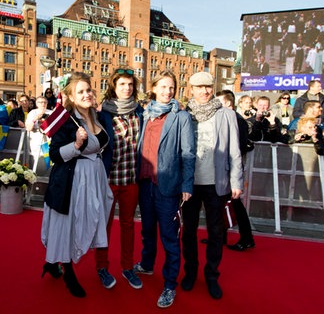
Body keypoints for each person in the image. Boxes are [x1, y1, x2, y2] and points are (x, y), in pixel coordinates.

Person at [41, 72, 113, 298]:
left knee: (86, 220)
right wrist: (76, 143)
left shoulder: (96, 115)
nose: (86, 94)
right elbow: (54, 155)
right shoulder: (66, 120)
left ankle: (53, 263)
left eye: (89, 90)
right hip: (72, 180)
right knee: (70, 224)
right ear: (70, 96)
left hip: (94, 178)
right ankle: (68, 270)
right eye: (80, 91)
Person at [133, 70, 196, 308]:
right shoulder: (143, 114)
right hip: (145, 182)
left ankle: (170, 285)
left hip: (168, 186)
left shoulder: (181, 117)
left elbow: (188, 153)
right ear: (153, 88)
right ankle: (147, 265)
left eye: (171, 87)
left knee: (169, 238)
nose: (168, 91)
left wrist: (187, 184)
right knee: (147, 230)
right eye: (163, 87)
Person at [181, 72, 243, 300]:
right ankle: (190, 272)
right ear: (192, 90)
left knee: (217, 232)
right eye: (199, 87)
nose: (204, 91)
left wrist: (236, 181)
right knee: (188, 231)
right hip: (189, 184)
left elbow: (235, 151)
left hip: (217, 183)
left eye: (208, 86)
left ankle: (212, 275)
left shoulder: (226, 114)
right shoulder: (183, 114)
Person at [97, 68, 144, 290]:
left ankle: (127, 267)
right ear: (114, 87)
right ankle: (102, 268)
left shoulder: (140, 112)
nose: (127, 88)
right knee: (104, 226)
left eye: (130, 84)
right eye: (122, 84)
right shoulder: (103, 113)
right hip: (109, 179)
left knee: (128, 226)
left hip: (131, 179)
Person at [216, 90, 256, 251]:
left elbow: (237, 148)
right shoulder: (228, 118)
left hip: (230, 169)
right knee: (222, 204)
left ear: (227, 103)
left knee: (235, 205)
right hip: (224, 167)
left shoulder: (237, 120)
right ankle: (221, 236)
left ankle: (246, 238)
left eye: (218, 102)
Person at [26, 96, 52, 168]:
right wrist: (36, 118)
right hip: (36, 139)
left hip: (48, 139)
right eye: (41, 102)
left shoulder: (51, 112)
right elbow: (28, 128)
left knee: (48, 160)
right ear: (37, 103)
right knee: (36, 161)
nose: (43, 104)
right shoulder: (32, 112)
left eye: (45, 102)